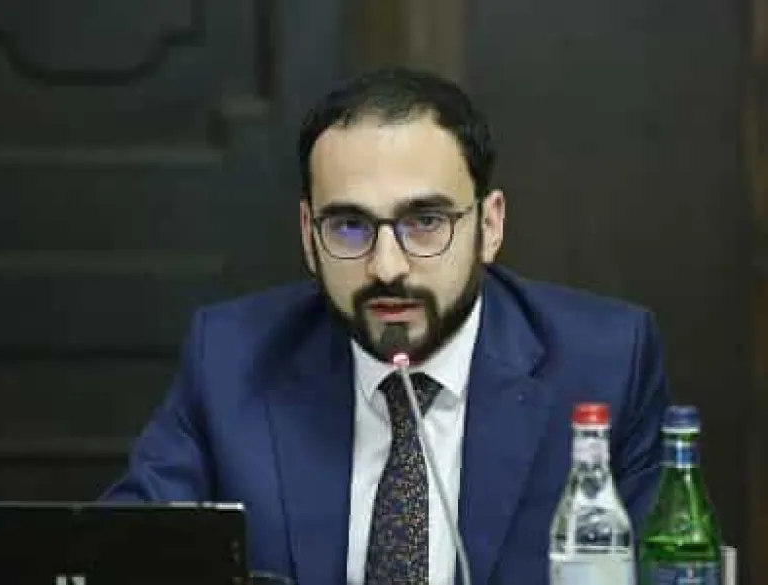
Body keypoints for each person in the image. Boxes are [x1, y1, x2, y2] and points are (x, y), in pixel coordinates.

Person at [102, 67, 669, 585]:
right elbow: (118, 557)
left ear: (490, 225)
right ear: (308, 235)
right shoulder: (232, 359)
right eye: (349, 227)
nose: (387, 267)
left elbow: (666, 572)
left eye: (425, 222)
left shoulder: (604, 364)